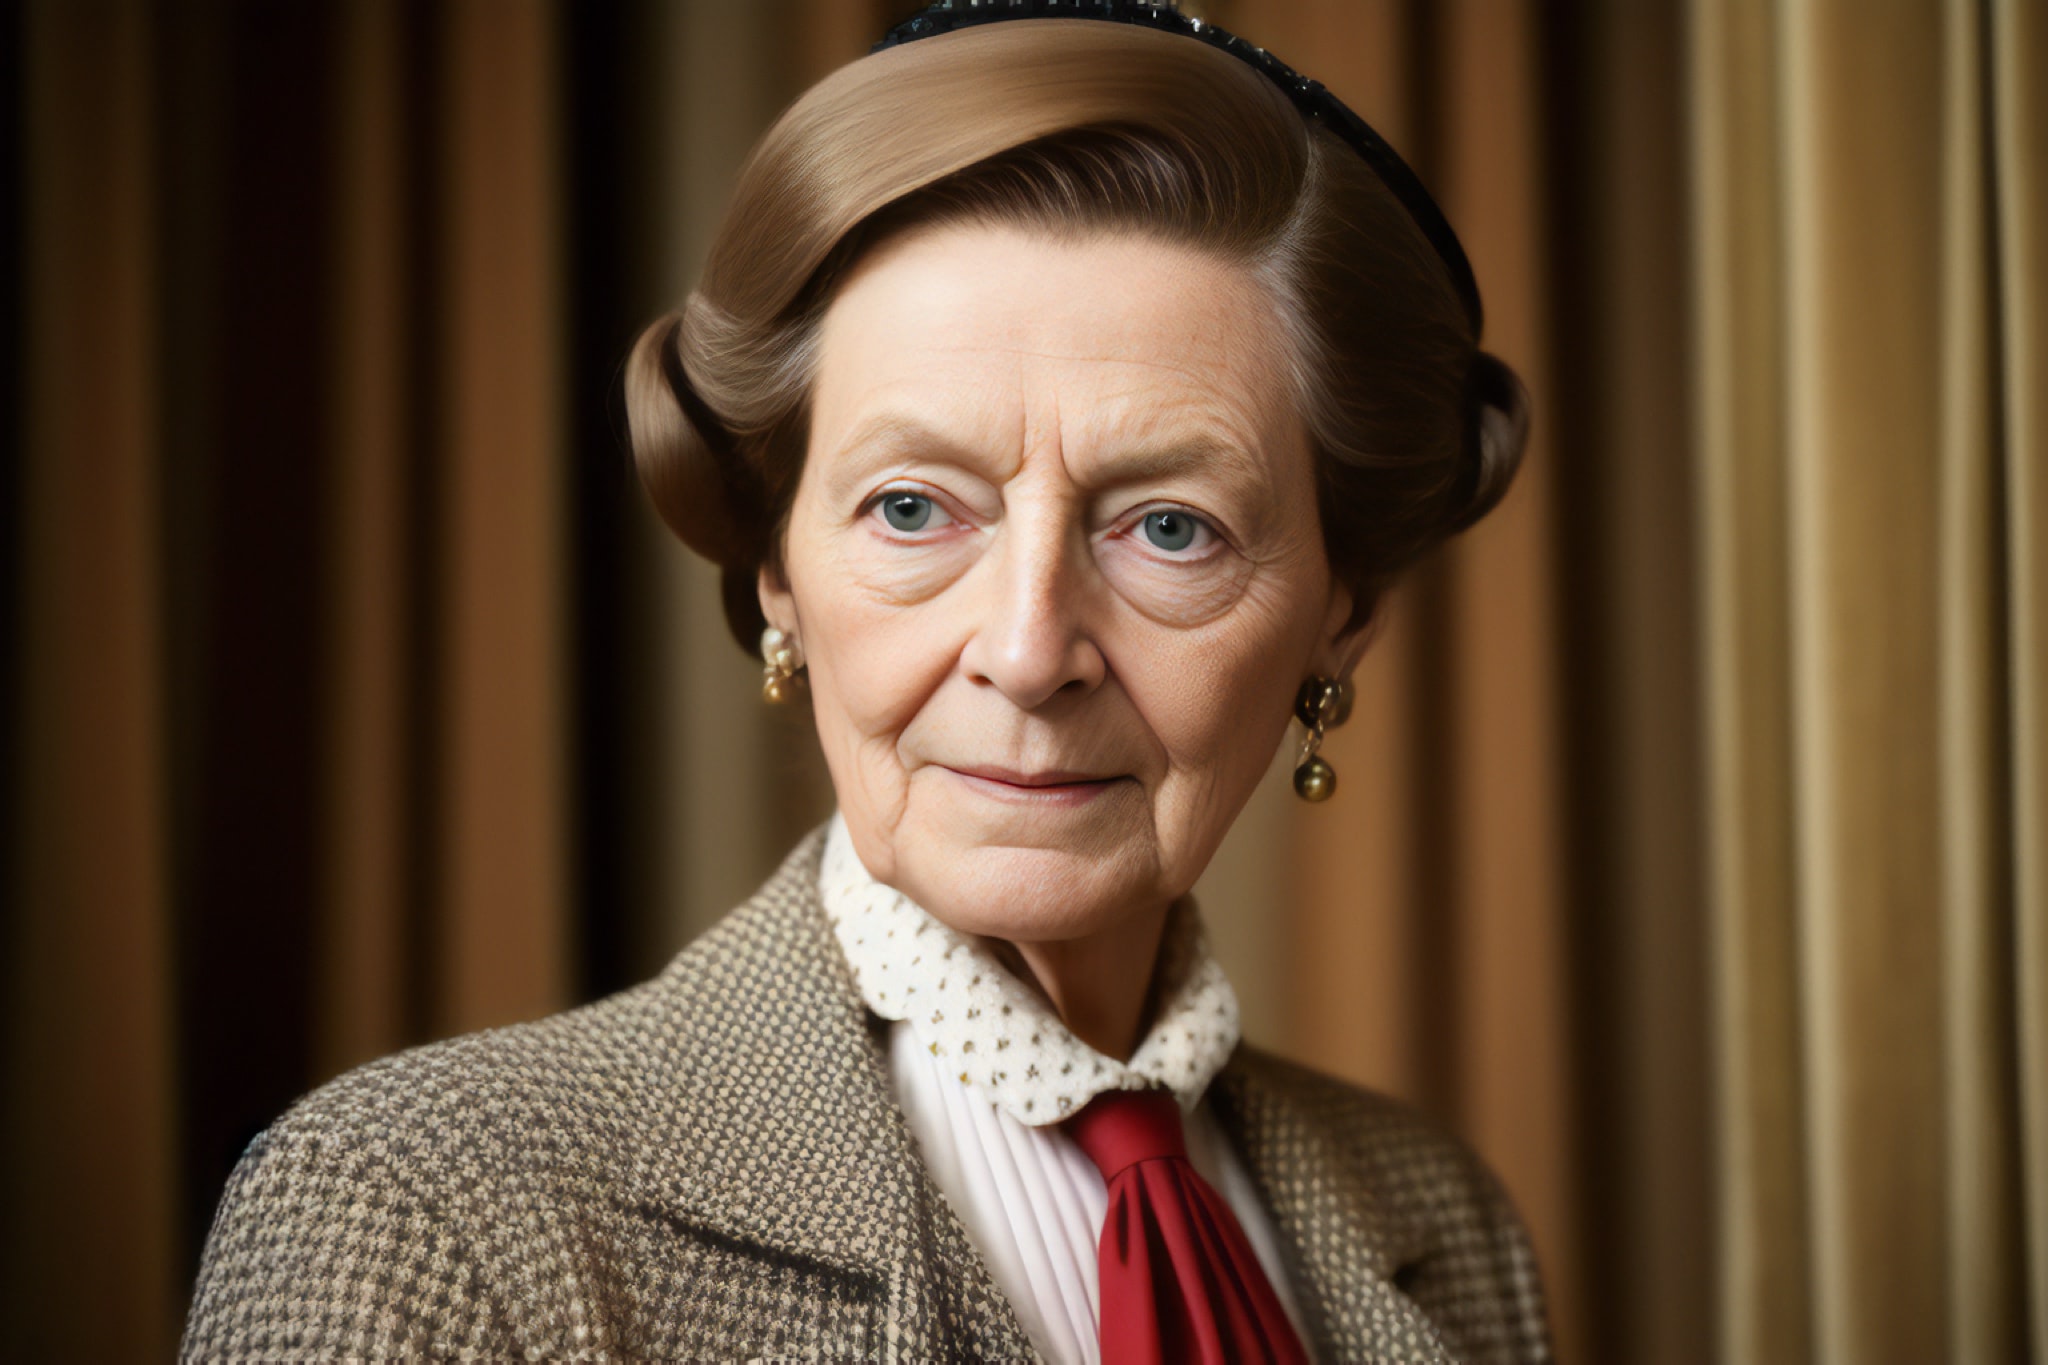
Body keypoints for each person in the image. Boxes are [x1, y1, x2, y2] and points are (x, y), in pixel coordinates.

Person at [182, 5, 1547, 1361]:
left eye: (1169, 527)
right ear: (779, 569)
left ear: (1342, 614)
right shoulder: (418, 1216)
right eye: (912, 508)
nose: (1025, 650)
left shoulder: (1444, 1221)